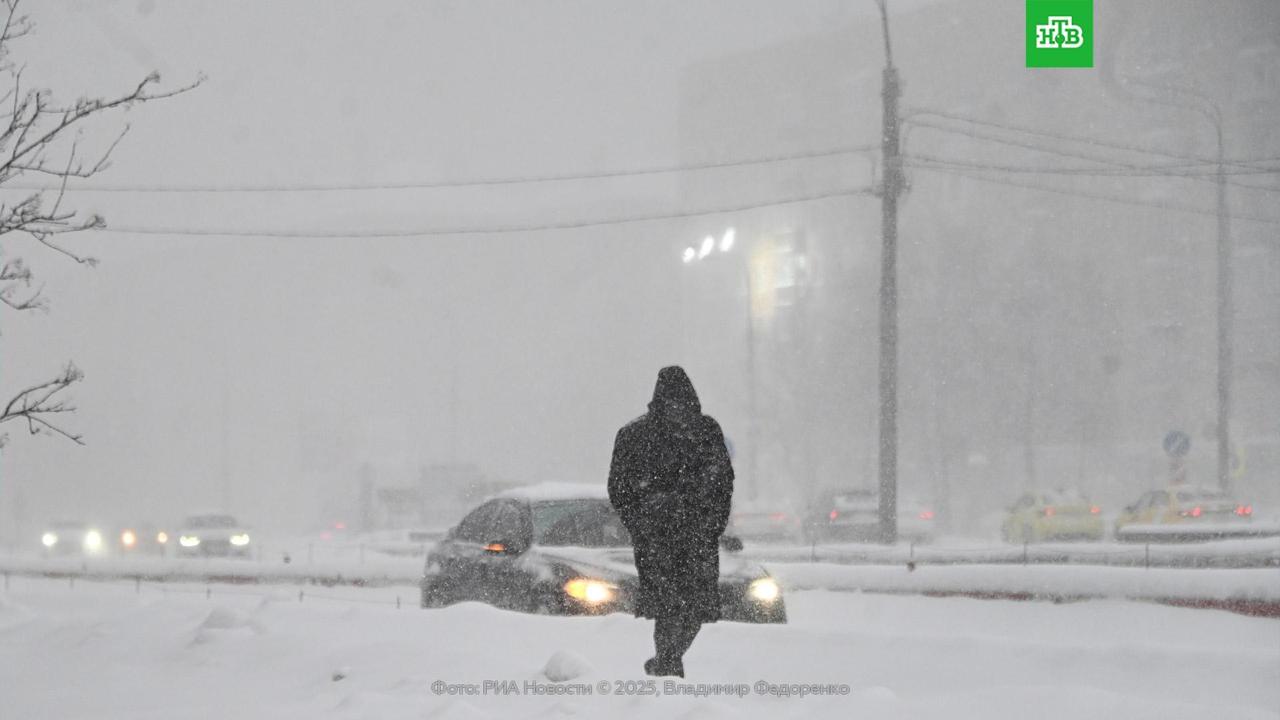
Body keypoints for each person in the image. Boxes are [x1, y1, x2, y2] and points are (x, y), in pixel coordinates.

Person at [607, 366, 734, 678]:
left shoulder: (705, 431)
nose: (676, 409)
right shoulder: (636, 435)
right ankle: (669, 666)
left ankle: (666, 661)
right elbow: (619, 488)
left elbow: (722, 483)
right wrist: (642, 522)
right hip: (661, 539)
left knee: (693, 608)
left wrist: (710, 523)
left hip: (692, 537)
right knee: (671, 607)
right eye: (671, 402)